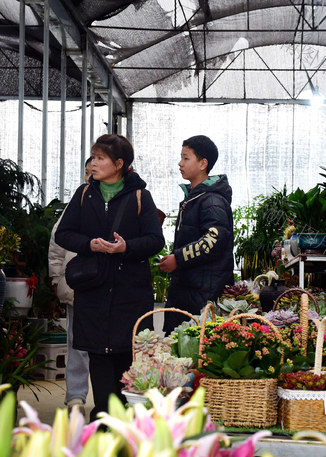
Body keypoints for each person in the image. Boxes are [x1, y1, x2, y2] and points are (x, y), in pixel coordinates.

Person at [54, 135, 164, 418]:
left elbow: (155, 241)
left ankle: (125, 417)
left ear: (119, 164)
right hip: (93, 291)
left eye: (100, 158)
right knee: (98, 355)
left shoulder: (141, 196)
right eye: (92, 157)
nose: (93, 163)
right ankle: (104, 416)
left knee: (126, 354)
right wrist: (89, 244)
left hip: (130, 293)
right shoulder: (84, 194)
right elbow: (64, 234)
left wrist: (125, 247)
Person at [159, 135, 234, 332]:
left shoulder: (212, 201)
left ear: (203, 163)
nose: (179, 163)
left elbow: (213, 241)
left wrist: (178, 258)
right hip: (189, 290)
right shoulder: (195, 198)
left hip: (201, 294)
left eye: (185, 158)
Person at [48, 157, 94, 417]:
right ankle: (75, 397)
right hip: (76, 286)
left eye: (95, 170)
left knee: (106, 346)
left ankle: (110, 397)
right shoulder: (75, 205)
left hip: (107, 289)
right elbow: (56, 246)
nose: (90, 177)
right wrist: (56, 279)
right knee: (76, 343)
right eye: (87, 173)